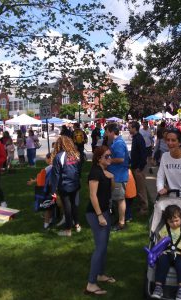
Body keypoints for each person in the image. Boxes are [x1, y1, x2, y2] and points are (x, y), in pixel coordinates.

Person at [85, 146, 115, 296]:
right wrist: (99, 216)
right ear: (99, 159)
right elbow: (92, 196)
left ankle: (100, 275)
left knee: (104, 246)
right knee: (100, 248)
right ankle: (91, 284)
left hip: (104, 212)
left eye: (110, 156)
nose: (110, 158)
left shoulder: (104, 172)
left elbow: (111, 191)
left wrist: (112, 178)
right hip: (95, 214)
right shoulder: (95, 173)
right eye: (107, 156)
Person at [152, 205, 181, 300]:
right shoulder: (165, 229)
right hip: (167, 252)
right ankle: (158, 287)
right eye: (171, 221)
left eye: (176, 220)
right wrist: (159, 251)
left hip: (179, 254)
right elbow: (161, 242)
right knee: (161, 263)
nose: (174, 223)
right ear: (167, 221)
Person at [51, 135, 81, 236]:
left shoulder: (59, 157)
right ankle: (77, 225)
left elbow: (55, 175)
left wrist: (53, 191)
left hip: (64, 186)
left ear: (59, 145)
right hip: (75, 184)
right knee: (75, 205)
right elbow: (79, 169)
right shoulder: (75, 154)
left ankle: (68, 230)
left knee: (67, 207)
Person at [105, 123, 129, 231]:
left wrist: (108, 160)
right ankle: (118, 220)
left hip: (119, 176)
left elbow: (121, 159)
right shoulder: (116, 142)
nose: (105, 134)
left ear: (111, 132)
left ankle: (121, 223)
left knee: (120, 199)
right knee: (116, 199)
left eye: (106, 131)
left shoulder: (118, 143)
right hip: (116, 175)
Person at [27, 153, 53, 229]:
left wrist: (34, 181)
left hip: (46, 189)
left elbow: (41, 177)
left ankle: (46, 223)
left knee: (46, 207)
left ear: (50, 159)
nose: (45, 159)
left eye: (46, 158)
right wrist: (34, 181)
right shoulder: (55, 167)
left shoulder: (48, 168)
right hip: (52, 189)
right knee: (51, 205)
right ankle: (51, 220)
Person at [128, 121, 148, 216]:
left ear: (134, 128)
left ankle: (144, 208)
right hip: (135, 166)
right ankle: (141, 205)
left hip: (138, 168)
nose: (128, 129)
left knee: (141, 189)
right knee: (138, 188)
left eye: (130, 127)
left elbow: (144, 154)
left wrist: (140, 167)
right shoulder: (135, 138)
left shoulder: (139, 138)